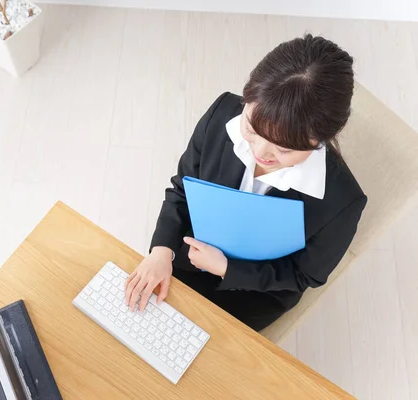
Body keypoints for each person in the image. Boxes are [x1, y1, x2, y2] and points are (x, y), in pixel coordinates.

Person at [124, 34, 367, 332]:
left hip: (254, 293)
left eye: (284, 149)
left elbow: (306, 276)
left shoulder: (341, 203)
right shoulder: (221, 115)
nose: (260, 152)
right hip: (188, 254)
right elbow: (182, 189)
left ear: (322, 139)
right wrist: (161, 251)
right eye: (252, 128)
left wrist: (228, 269)